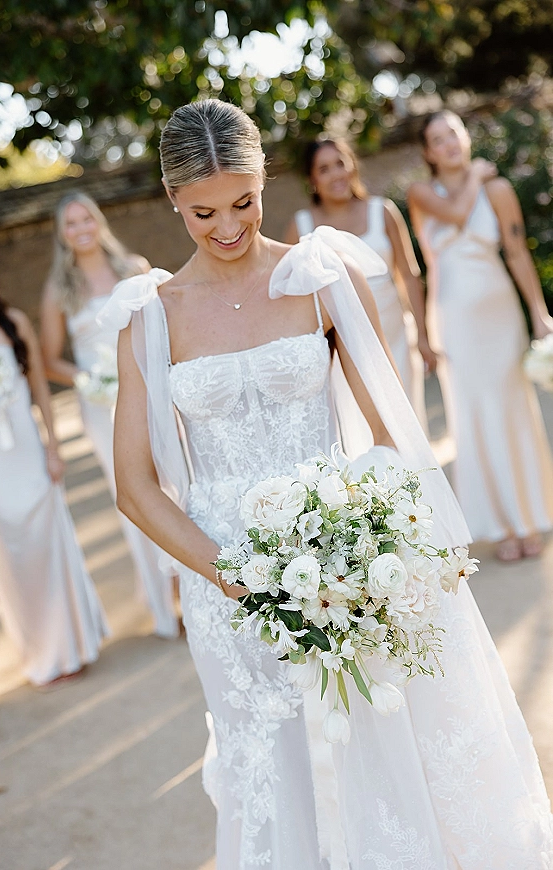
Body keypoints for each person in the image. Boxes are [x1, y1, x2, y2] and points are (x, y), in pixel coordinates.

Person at [101, 100, 552, 869]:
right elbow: (135, 488)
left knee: (377, 740)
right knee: (275, 762)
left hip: (339, 566)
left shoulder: (318, 277)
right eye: (203, 212)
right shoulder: (151, 315)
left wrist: (360, 540)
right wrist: (236, 577)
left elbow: (389, 432)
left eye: (244, 202)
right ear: (173, 199)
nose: (228, 227)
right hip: (228, 585)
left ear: (266, 181)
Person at [408, 110, 553, 561]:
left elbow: (516, 252)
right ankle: (497, 526)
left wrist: (539, 312)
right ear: (429, 152)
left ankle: (528, 517)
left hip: (499, 316)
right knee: (471, 415)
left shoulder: (499, 189)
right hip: (453, 320)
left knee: (511, 409)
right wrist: (474, 175)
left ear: (465, 135)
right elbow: (454, 214)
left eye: (453, 131)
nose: (449, 141)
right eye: (438, 137)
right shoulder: (421, 193)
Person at [41, 193, 179, 637]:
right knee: (134, 497)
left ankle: (187, 584)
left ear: (98, 221)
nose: (80, 228)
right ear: (62, 234)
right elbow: (48, 361)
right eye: (70, 223)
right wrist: (89, 379)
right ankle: (162, 608)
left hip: (150, 394)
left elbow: (163, 328)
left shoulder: (133, 268)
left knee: (174, 485)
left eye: (86, 218)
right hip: (101, 407)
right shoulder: (58, 291)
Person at [0, 244, 107, 688]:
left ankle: (72, 646)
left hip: (27, 451)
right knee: (11, 558)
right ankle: (39, 651)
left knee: (49, 543)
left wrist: (53, 445)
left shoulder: (14, 323)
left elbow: (40, 390)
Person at [285, 138, 435, 426]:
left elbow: (409, 276)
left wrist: (423, 337)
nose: (336, 174)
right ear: (312, 179)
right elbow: (292, 295)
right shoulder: (301, 226)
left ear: (352, 165)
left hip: (396, 338)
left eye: (340, 163)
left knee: (406, 423)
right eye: (324, 169)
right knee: (360, 429)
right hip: (344, 348)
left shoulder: (383, 211)